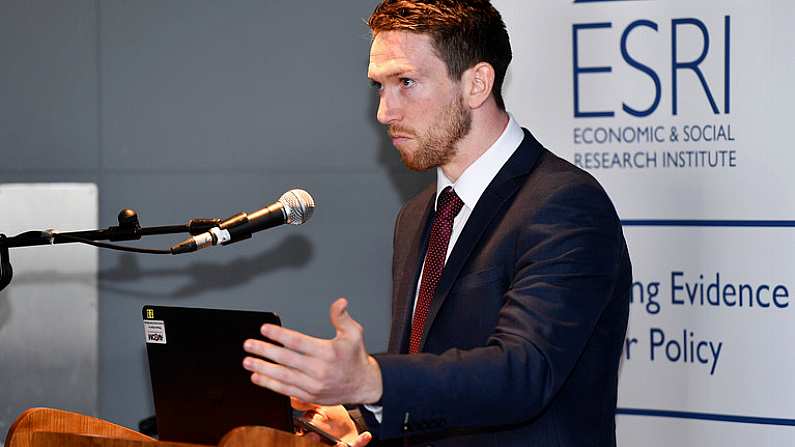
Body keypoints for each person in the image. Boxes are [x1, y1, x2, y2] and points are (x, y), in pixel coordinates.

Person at [242, 1, 632, 446]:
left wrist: (373, 380)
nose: (384, 112)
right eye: (379, 87)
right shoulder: (417, 215)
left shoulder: (564, 203)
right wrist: (365, 418)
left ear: (477, 84)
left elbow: (523, 372)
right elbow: (433, 369)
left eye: (406, 82)